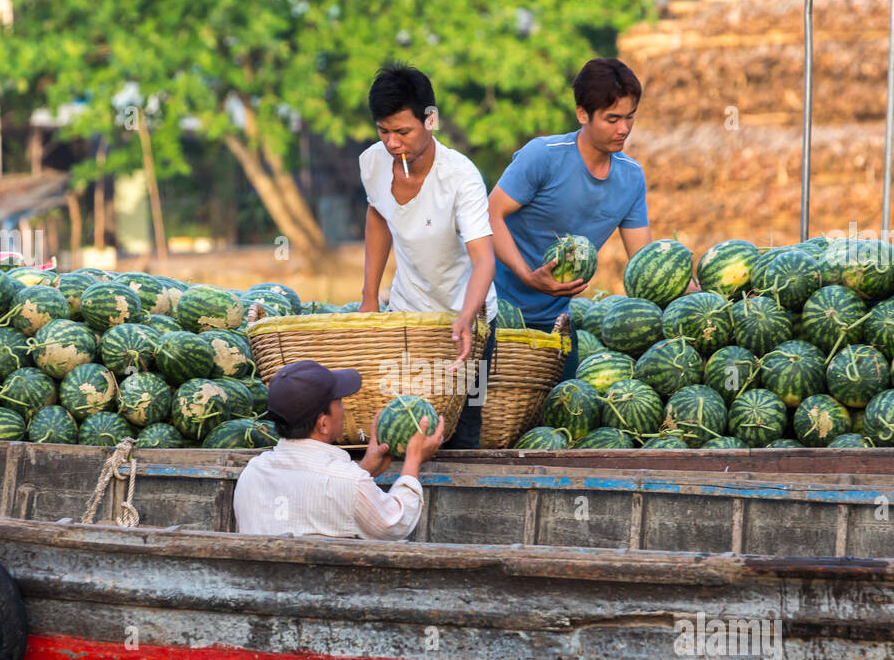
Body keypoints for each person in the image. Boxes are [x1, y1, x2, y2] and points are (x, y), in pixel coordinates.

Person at [358, 62, 497, 448]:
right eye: (384, 131)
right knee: (402, 427)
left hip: (469, 323)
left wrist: (468, 317)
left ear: (430, 119)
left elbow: (485, 260)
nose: (392, 143)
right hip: (407, 317)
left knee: (464, 433)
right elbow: (377, 214)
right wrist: (370, 296)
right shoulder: (372, 163)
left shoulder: (461, 176)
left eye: (403, 131)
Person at [489, 58, 653, 380]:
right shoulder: (543, 156)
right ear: (582, 114)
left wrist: (696, 293)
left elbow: (644, 262)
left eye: (630, 117)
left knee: (563, 417)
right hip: (495, 313)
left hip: (556, 323)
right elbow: (489, 214)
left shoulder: (631, 177)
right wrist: (526, 275)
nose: (624, 129)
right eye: (612, 119)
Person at [233, 359, 445, 540]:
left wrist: (364, 468)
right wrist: (413, 462)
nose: (343, 410)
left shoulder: (252, 472)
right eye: (339, 403)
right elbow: (396, 523)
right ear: (323, 424)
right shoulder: (350, 483)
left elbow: (309, 506)